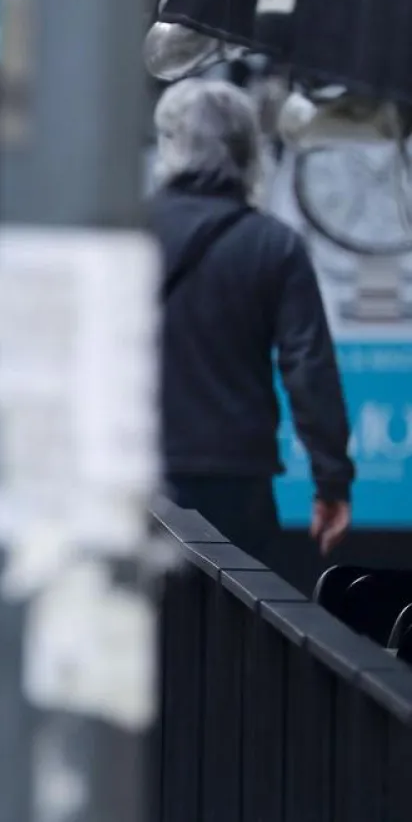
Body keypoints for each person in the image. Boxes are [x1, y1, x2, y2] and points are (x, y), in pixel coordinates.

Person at [149, 78, 353, 573]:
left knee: (139, 635)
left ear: (170, 145)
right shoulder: (273, 244)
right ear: (249, 150)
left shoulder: (131, 233)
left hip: (140, 470)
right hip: (237, 479)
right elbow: (308, 368)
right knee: (233, 639)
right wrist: (331, 483)